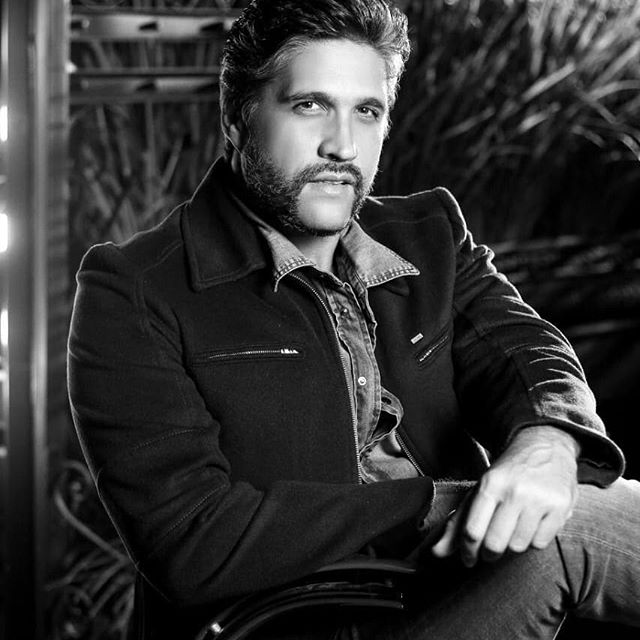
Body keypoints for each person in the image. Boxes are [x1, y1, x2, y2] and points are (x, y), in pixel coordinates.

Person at [67, 1, 640, 638]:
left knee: (579, 514)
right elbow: (189, 538)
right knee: (571, 527)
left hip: (456, 595)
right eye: (310, 105)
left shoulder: (429, 235)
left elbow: (526, 350)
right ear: (236, 117)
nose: (342, 145)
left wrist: (548, 443)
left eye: (366, 111)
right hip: (285, 626)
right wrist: (444, 504)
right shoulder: (133, 288)